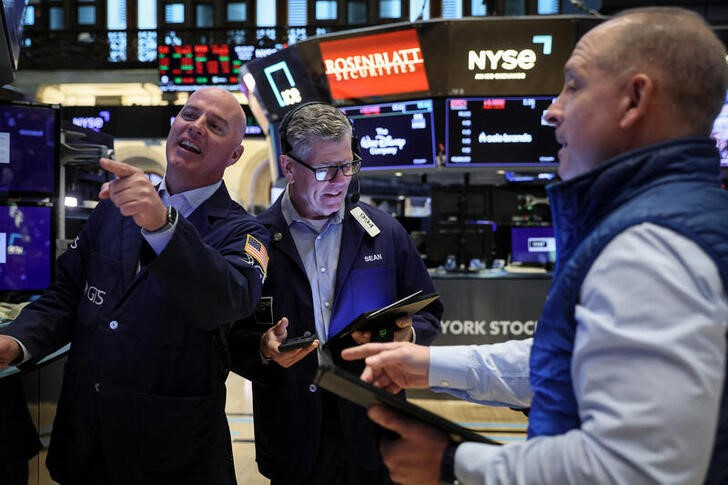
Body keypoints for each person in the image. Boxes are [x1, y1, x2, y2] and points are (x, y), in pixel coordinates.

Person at [343, 7, 728, 485]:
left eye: (573, 84)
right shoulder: (676, 217)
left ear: (635, 98)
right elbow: (569, 364)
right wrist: (429, 364)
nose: (551, 109)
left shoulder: (650, 246)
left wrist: (451, 462)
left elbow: (636, 469)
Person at [0, 86, 269, 485]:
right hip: (86, 440)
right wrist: (17, 340)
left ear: (235, 155)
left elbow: (226, 301)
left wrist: (164, 226)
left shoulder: (243, 232)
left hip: (170, 450)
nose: (195, 127)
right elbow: (67, 294)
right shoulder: (114, 207)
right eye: (189, 115)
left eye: (214, 125)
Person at [229, 102, 443, 484]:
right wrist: (262, 347)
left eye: (348, 165)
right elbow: (228, 335)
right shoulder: (254, 238)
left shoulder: (383, 231)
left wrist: (406, 335)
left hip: (374, 427)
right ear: (289, 167)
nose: (340, 181)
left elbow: (429, 311)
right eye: (326, 170)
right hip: (294, 432)